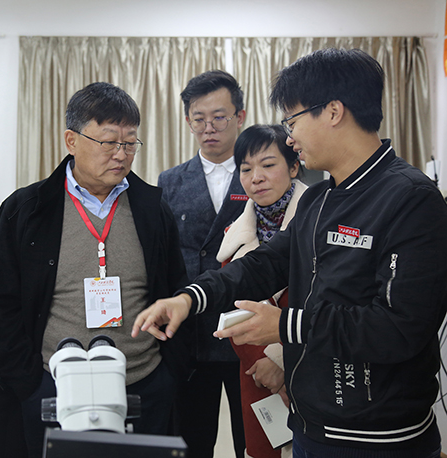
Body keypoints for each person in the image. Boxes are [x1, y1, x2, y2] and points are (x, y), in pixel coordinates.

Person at [133, 48, 447, 458]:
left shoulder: (411, 199)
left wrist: (286, 325)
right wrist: (190, 298)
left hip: (378, 436)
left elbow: (399, 328)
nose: (290, 137)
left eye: (292, 121)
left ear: (333, 111)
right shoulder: (319, 200)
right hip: (309, 424)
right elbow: (264, 265)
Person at [0, 82, 188, 458]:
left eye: (130, 143)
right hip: (55, 384)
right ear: (71, 140)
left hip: (143, 382)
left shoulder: (151, 208)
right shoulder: (26, 210)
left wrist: (168, 374)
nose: (121, 154)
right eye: (109, 142)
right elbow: (1, 305)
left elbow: (176, 287)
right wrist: (30, 383)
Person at [157, 70, 247, 458]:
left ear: (240, 117)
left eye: (219, 117)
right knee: (192, 444)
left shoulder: (262, 173)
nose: (209, 128)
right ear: (188, 121)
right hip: (191, 337)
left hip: (248, 332)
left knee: (255, 442)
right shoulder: (170, 182)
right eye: (199, 118)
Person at [216, 124, 307, 458]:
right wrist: (264, 365)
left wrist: (280, 361)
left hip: (310, 368)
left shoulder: (319, 222)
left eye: (268, 165)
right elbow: (231, 310)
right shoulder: (234, 235)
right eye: (246, 169)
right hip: (256, 374)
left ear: (293, 166)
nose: (256, 177)